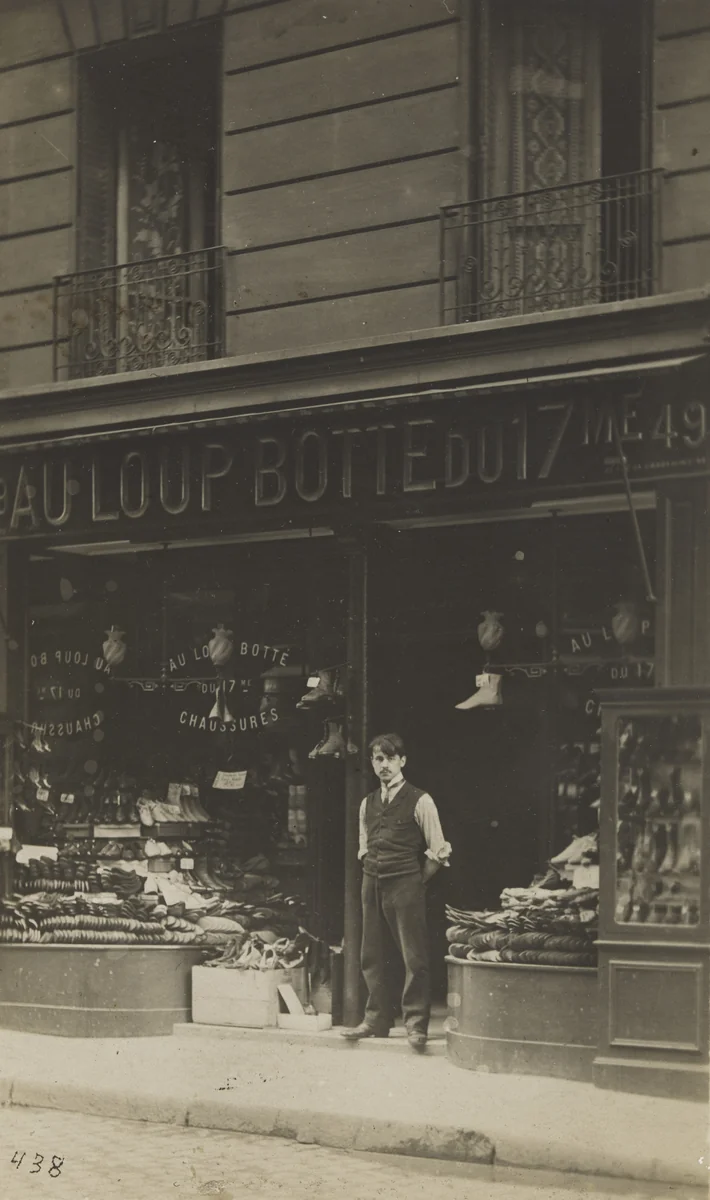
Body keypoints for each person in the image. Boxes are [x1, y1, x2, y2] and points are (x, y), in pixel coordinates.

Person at [341, 732, 451, 1052]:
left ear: (403, 761)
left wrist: (416, 880)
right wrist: (372, 872)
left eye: (390, 758)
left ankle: (416, 1024)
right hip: (372, 881)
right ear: (372, 763)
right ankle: (376, 1020)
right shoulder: (367, 803)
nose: (384, 764)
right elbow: (364, 847)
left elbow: (439, 850)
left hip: (405, 883)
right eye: (378, 758)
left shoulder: (420, 800)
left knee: (413, 955)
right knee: (371, 953)